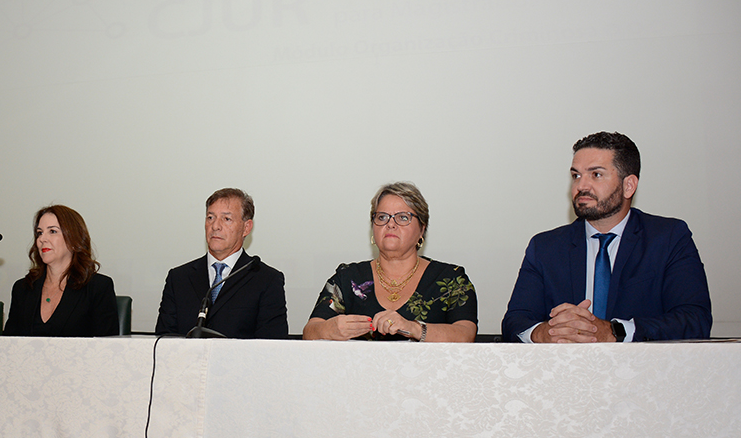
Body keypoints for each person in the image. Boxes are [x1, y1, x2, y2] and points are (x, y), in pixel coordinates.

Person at [501, 132, 712, 342]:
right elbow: (515, 322)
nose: (581, 186)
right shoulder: (545, 247)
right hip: (567, 371)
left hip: (642, 371)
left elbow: (695, 320)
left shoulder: (668, 238)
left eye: (596, 175)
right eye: (576, 175)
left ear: (628, 185)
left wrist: (614, 331)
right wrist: (546, 333)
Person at [303, 182, 477, 342]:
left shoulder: (452, 279)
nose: (390, 224)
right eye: (382, 217)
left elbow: (466, 334)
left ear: (422, 229)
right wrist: (328, 329)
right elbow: (310, 332)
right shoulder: (346, 278)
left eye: (402, 217)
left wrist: (413, 328)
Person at [155, 188, 288, 338]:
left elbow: (271, 345)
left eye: (226, 219)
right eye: (210, 217)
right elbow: (164, 340)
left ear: (246, 227)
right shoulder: (179, 278)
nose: (215, 226)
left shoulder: (267, 280)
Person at [4, 205, 118, 337]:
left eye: (52, 231)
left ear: (74, 240)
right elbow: (9, 344)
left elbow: (107, 349)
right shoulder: (23, 288)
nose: (42, 239)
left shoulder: (98, 287)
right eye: (39, 233)